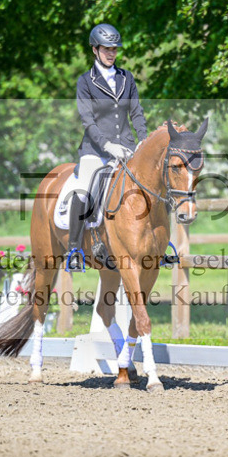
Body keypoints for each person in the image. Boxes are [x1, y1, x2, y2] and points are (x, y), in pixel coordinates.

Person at [65, 23, 148, 272]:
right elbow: (87, 120)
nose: (111, 53)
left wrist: (142, 139)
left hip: (127, 147)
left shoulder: (127, 77)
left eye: (114, 49)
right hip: (96, 149)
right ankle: (74, 249)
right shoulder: (85, 82)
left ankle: (157, 245)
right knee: (82, 189)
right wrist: (107, 145)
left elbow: (136, 111)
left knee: (151, 185)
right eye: (106, 49)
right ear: (95, 49)